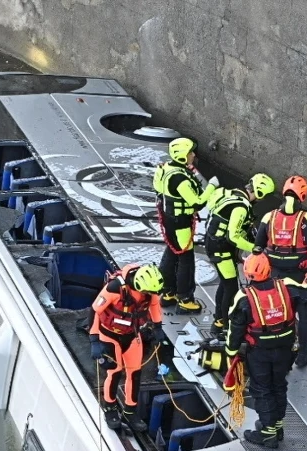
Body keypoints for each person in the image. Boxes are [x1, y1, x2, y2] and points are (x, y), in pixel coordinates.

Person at [225, 253, 307, 448]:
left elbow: (235, 330)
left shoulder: (244, 298)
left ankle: (267, 432)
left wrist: (231, 352)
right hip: (285, 349)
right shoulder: (287, 286)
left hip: (259, 352)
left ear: (247, 274)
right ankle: (276, 426)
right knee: (278, 385)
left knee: (262, 389)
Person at [253, 175, 307, 369]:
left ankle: (275, 348)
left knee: (275, 312)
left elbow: (257, 249)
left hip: (273, 277)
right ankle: (302, 353)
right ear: (303, 195)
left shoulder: (268, 217)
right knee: (304, 313)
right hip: (301, 277)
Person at [90, 263, 172, 432]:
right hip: (110, 335)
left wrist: (157, 327)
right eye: (147, 292)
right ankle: (110, 408)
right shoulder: (114, 288)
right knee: (114, 372)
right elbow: (95, 311)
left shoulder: (150, 291)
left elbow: (155, 306)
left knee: (134, 373)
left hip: (132, 335)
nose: (149, 295)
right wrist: (94, 340)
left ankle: (130, 410)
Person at [202, 172, 275, 335]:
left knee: (225, 283)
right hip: (220, 248)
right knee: (230, 286)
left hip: (214, 243)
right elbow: (233, 236)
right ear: (260, 193)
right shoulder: (241, 208)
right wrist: (255, 248)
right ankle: (223, 323)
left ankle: (219, 319)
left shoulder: (229, 194)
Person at [153, 137, 218, 313]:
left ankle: (168, 292)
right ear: (182, 156)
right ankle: (185, 298)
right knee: (186, 259)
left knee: (171, 253)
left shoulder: (166, 168)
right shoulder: (180, 179)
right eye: (190, 152)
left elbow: (157, 188)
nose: (193, 155)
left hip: (169, 218)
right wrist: (211, 187)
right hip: (180, 222)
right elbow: (197, 202)